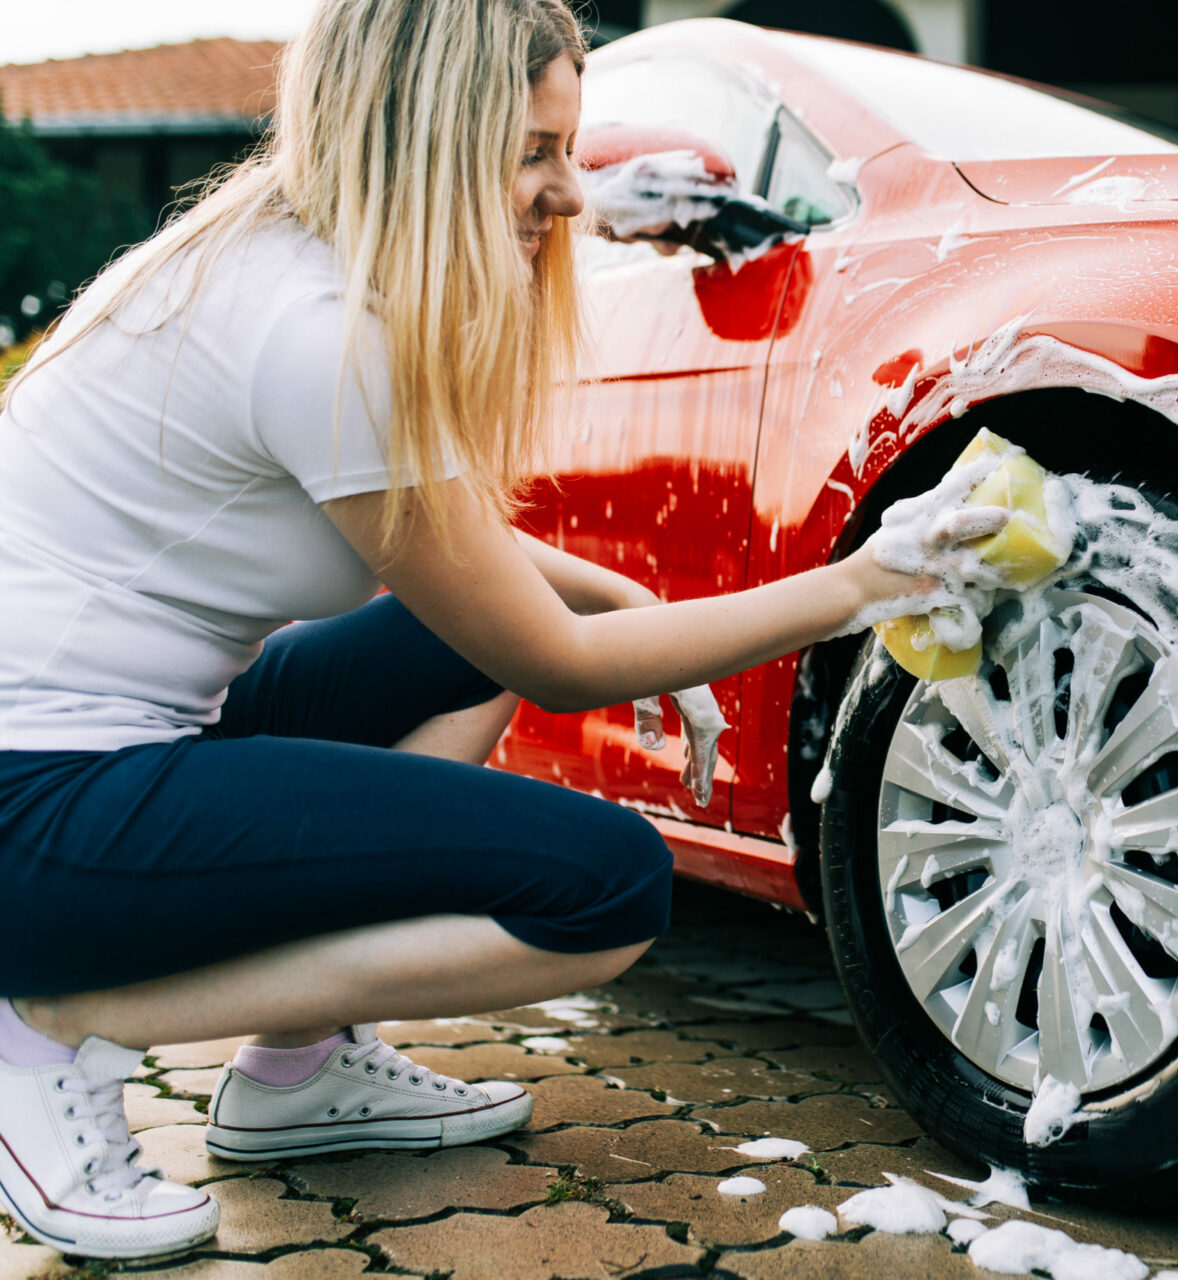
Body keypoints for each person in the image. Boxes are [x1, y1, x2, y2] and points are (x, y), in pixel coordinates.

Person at [0, 0, 988, 1260]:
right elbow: (551, 663)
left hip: (108, 746)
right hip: (35, 807)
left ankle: (301, 1068)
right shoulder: (320, 333)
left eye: (570, 151)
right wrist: (870, 581)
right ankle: (56, 1020)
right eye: (534, 152)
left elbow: (444, 549)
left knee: (455, 636)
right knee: (603, 886)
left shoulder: (268, 258)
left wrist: (620, 594)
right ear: (425, 138)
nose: (568, 194)